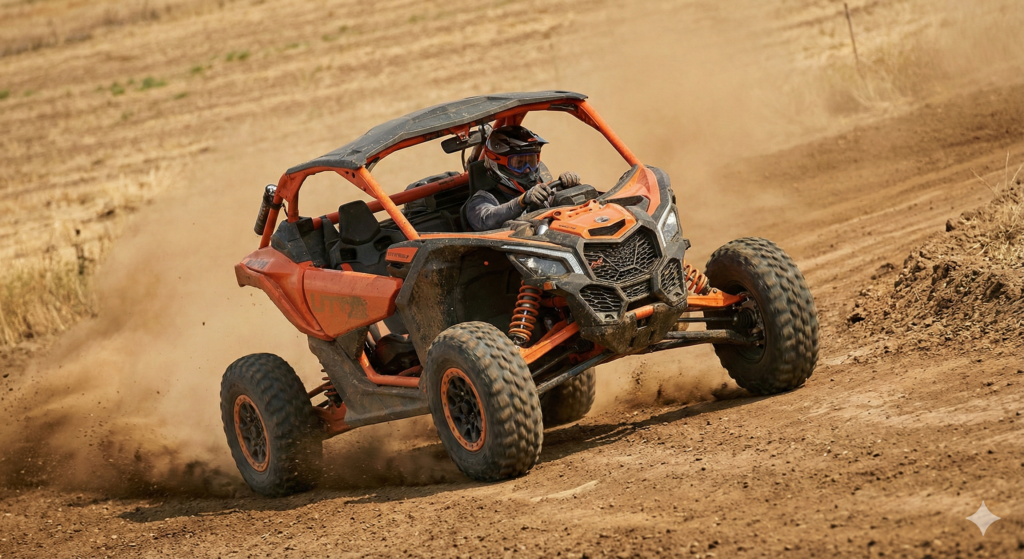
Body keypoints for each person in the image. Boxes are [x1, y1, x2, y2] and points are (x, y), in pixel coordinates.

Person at [464, 125, 580, 231]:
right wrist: (522, 200)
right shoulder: (481, 200)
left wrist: (569, 186)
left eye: (531, 161)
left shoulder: (539, 188)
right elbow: (487, 221)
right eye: (519, 163)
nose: (528, 170)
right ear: (497, 164)